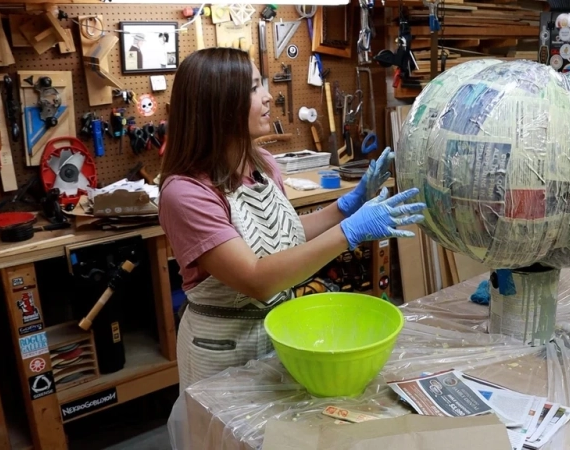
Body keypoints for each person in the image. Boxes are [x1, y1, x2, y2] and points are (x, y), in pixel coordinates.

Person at [158, 48, 426, 390]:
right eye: (255, 88)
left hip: (280, 331)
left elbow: (282, 238)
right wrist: (349, 231)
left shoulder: (264, 164)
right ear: (221, 104)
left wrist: (347, 206)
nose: (269, 97)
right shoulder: (185, 193)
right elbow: (256, 277)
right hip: (222, 349)